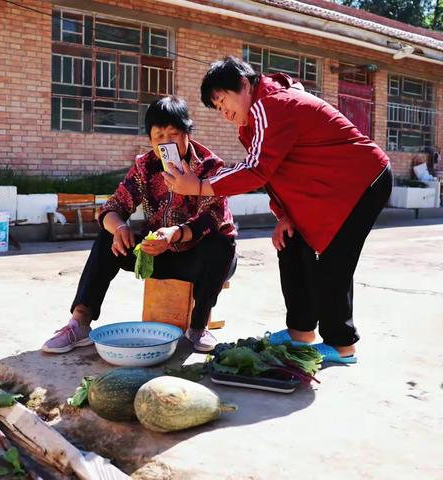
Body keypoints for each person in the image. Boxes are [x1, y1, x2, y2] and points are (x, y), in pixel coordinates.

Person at [163, 57, 392, 363]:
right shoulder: (253, 122)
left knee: (333, 261)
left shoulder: (272, 105)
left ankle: (342, 344)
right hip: (322, 191)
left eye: (223, 100)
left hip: (362, 181)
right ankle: (301, 331)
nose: (224, 112)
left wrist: (200, 185)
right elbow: (274, 173)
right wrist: (282, 215)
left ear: (244, 85)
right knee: (291, 244)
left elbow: (256, 169)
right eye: (217, 108)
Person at [42, 96, 236, 354]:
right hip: (158, 255)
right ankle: (79, 323)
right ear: (151, 140)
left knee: (221, 243)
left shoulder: (209, 166)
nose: (166, 142)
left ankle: (198, 327)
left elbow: (211, 218)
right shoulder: (145, 166)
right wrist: (120, 228)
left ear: (187, 133)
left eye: (174, 134)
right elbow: (112, 208)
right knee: (106, 237)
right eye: (159, 136)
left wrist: (175, 234)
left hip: (200, 259)